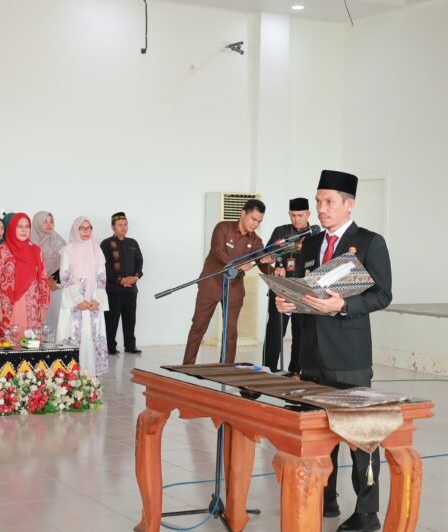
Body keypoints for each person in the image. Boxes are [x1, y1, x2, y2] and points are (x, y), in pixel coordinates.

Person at [275, 170, 392, 532]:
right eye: (318, 201)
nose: (321, 209)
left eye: (329, 202)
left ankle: (367, 513)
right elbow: (307, 292)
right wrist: (290, 303)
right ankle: (325, 497)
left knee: (360, 439)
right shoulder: (310, 245)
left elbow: (382, 295)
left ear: (349, 204)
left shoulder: (369, 242)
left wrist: (342, 306)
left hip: (348, 357)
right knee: (319, 433)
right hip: (311, 356)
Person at [182, 199, 270, 365]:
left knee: (230, 330)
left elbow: (263, 265)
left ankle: (226, 366)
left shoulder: (256, 241)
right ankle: (187, 365)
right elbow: (218, 251)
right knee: (199, 326)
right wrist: (238, 264)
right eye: (253, 219)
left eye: (259, 221)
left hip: (234, 287)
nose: (255, 224)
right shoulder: (223, 227)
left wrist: (270, 264)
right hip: (211, 282)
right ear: (243, 213)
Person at [261, 197, 312, 373]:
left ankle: (295, 372)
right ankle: (268, 369)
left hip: (304, 290)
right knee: (274, 333)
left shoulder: (315, 234)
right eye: (292, 215)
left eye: (300, 215)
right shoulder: (280, 231)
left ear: (308, 214)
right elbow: (267, 255)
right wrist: (275, 265)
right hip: (281, 288)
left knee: (300, 334)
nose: (296, 219)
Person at [56, 217, 109, 376]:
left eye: (89, 228)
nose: (86, 231)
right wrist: (78, 300)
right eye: (82, 228)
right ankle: (71, 374)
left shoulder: (97, 249)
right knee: (74, 333)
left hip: (92, 301)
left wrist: (97, 299)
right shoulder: (68, 250)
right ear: (75, 230)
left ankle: (91, 373)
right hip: (75, 301)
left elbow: (101, 276)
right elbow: (65, 278)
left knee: (91, 335)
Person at [0, 212, 50, 342]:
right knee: (6, 345)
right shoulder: (1, 251)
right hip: (7, 307)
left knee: (30, 344)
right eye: (19, 226)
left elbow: (43, 279)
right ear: (11, 228)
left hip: (31, 307)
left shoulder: (36, 251)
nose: (23, 229)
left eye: (27, 226)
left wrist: (44, 305)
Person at [101, 211, 144, 355]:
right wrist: (120, 280)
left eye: (125, 225)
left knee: (130, 318)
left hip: (131, 289)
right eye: (120, 225)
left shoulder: (133, 243)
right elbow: (105, 266)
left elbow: (139, 261)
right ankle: (110, 347)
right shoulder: (106, 244)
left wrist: (135, 277)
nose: (123, 227)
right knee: (112, 319)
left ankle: (130, 346)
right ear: (113, 227)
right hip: (113, 290)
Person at [30, 211, 67, 332]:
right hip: (33, 289)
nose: (49, 224)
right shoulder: (29, 243)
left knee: (53, 323)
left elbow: (66, 265)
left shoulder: (59, 241)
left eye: (51, 221)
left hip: (53, 288)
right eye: (45, 222)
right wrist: (43, 281)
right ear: (37, 223)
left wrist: (53, 280)